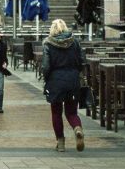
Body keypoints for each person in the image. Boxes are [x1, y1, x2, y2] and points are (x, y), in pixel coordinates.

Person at [41, 18, 86, 152]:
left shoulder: (48, 43)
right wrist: (76, 72)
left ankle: (60, 142)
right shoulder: (75, 42)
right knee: (71, 112)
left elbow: (46, 66)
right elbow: (81, 61)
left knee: (56, 113)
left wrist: (47, 79)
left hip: (55, 81)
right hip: (72, 80)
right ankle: (77, 128)